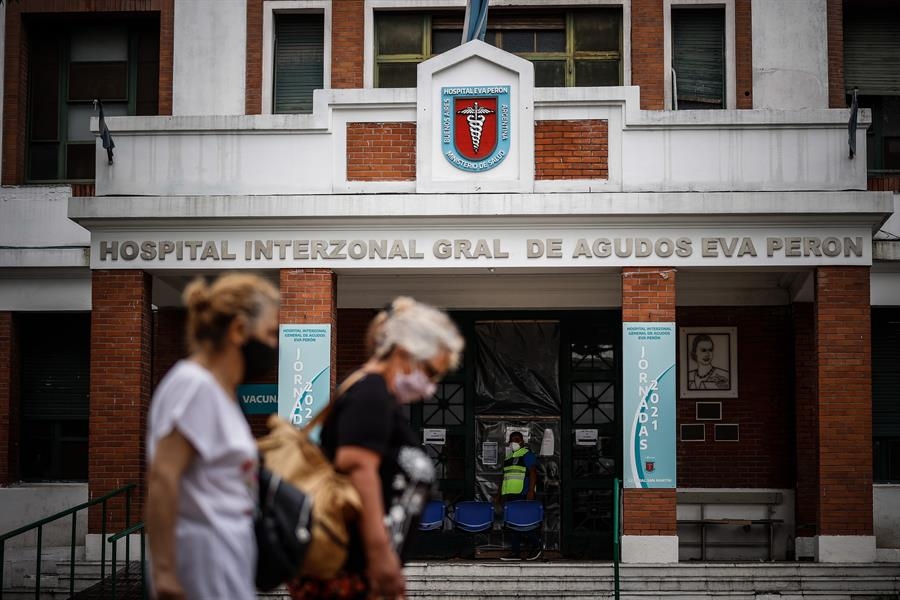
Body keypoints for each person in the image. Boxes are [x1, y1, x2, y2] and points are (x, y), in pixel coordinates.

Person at [288, 297, 463, 600]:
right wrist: (381, 557)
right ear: (404, 353)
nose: (432, 386)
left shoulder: (377, 396)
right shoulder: (371, 394)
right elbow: (358, 469)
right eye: (431, 372)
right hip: (351, 571)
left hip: (363, 569)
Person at [146, 274, 279, 600]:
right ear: (238, 330)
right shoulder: (193, 386)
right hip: (201, 563)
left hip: (228, 560)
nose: (275, 345)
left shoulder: (222, 393)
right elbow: (163, 477)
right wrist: (165, 572)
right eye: (271, 333)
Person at [495, 431, 542, 561]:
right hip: (510, 495)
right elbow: (503, 477)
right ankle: (515, 553)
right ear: (509, 442)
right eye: (512, 440)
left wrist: (531, 492)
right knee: (512, 524)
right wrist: (498, 495)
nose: (514, 442)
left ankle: (538, 545)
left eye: (517, 439)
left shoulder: (527, 454)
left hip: (522, 494)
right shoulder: (509, 457)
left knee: (524, 523)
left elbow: (533, 473)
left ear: (522, 441)